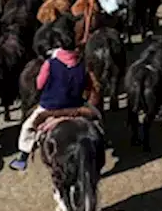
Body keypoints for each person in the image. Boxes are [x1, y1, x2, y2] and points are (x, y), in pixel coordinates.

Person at [8, 37, 97, 172]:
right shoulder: (83, 65)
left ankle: (23, 157)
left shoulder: (50, 63)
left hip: (50, 107)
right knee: (97, 123)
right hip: (75, 106)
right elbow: (89, 86)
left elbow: (39, 84)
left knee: (28, 126)